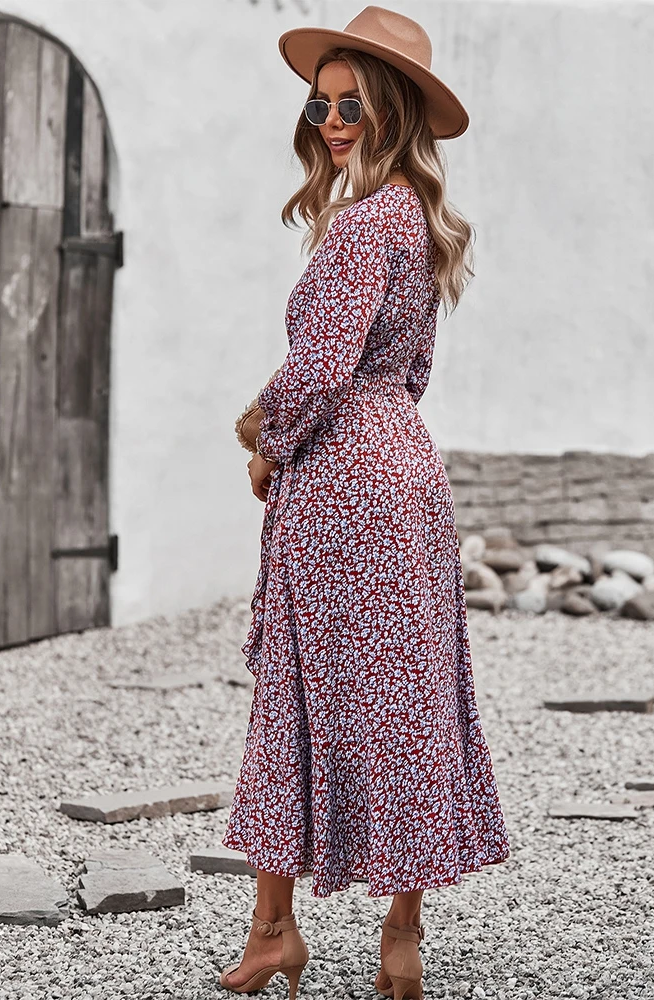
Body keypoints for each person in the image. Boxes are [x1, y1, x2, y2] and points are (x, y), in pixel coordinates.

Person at [220, 7, 510, 999]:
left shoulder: (359, 224)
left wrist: (264, 438)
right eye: (320, 104)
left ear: (392, 110)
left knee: (294, 691)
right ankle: (400, 938)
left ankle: (274, 931)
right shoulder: (419, 221)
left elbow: (319, 367)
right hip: (407, 470)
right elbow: (406, 373)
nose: (332, 121)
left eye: (352, 104)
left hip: (341, 477)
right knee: (408, 697)